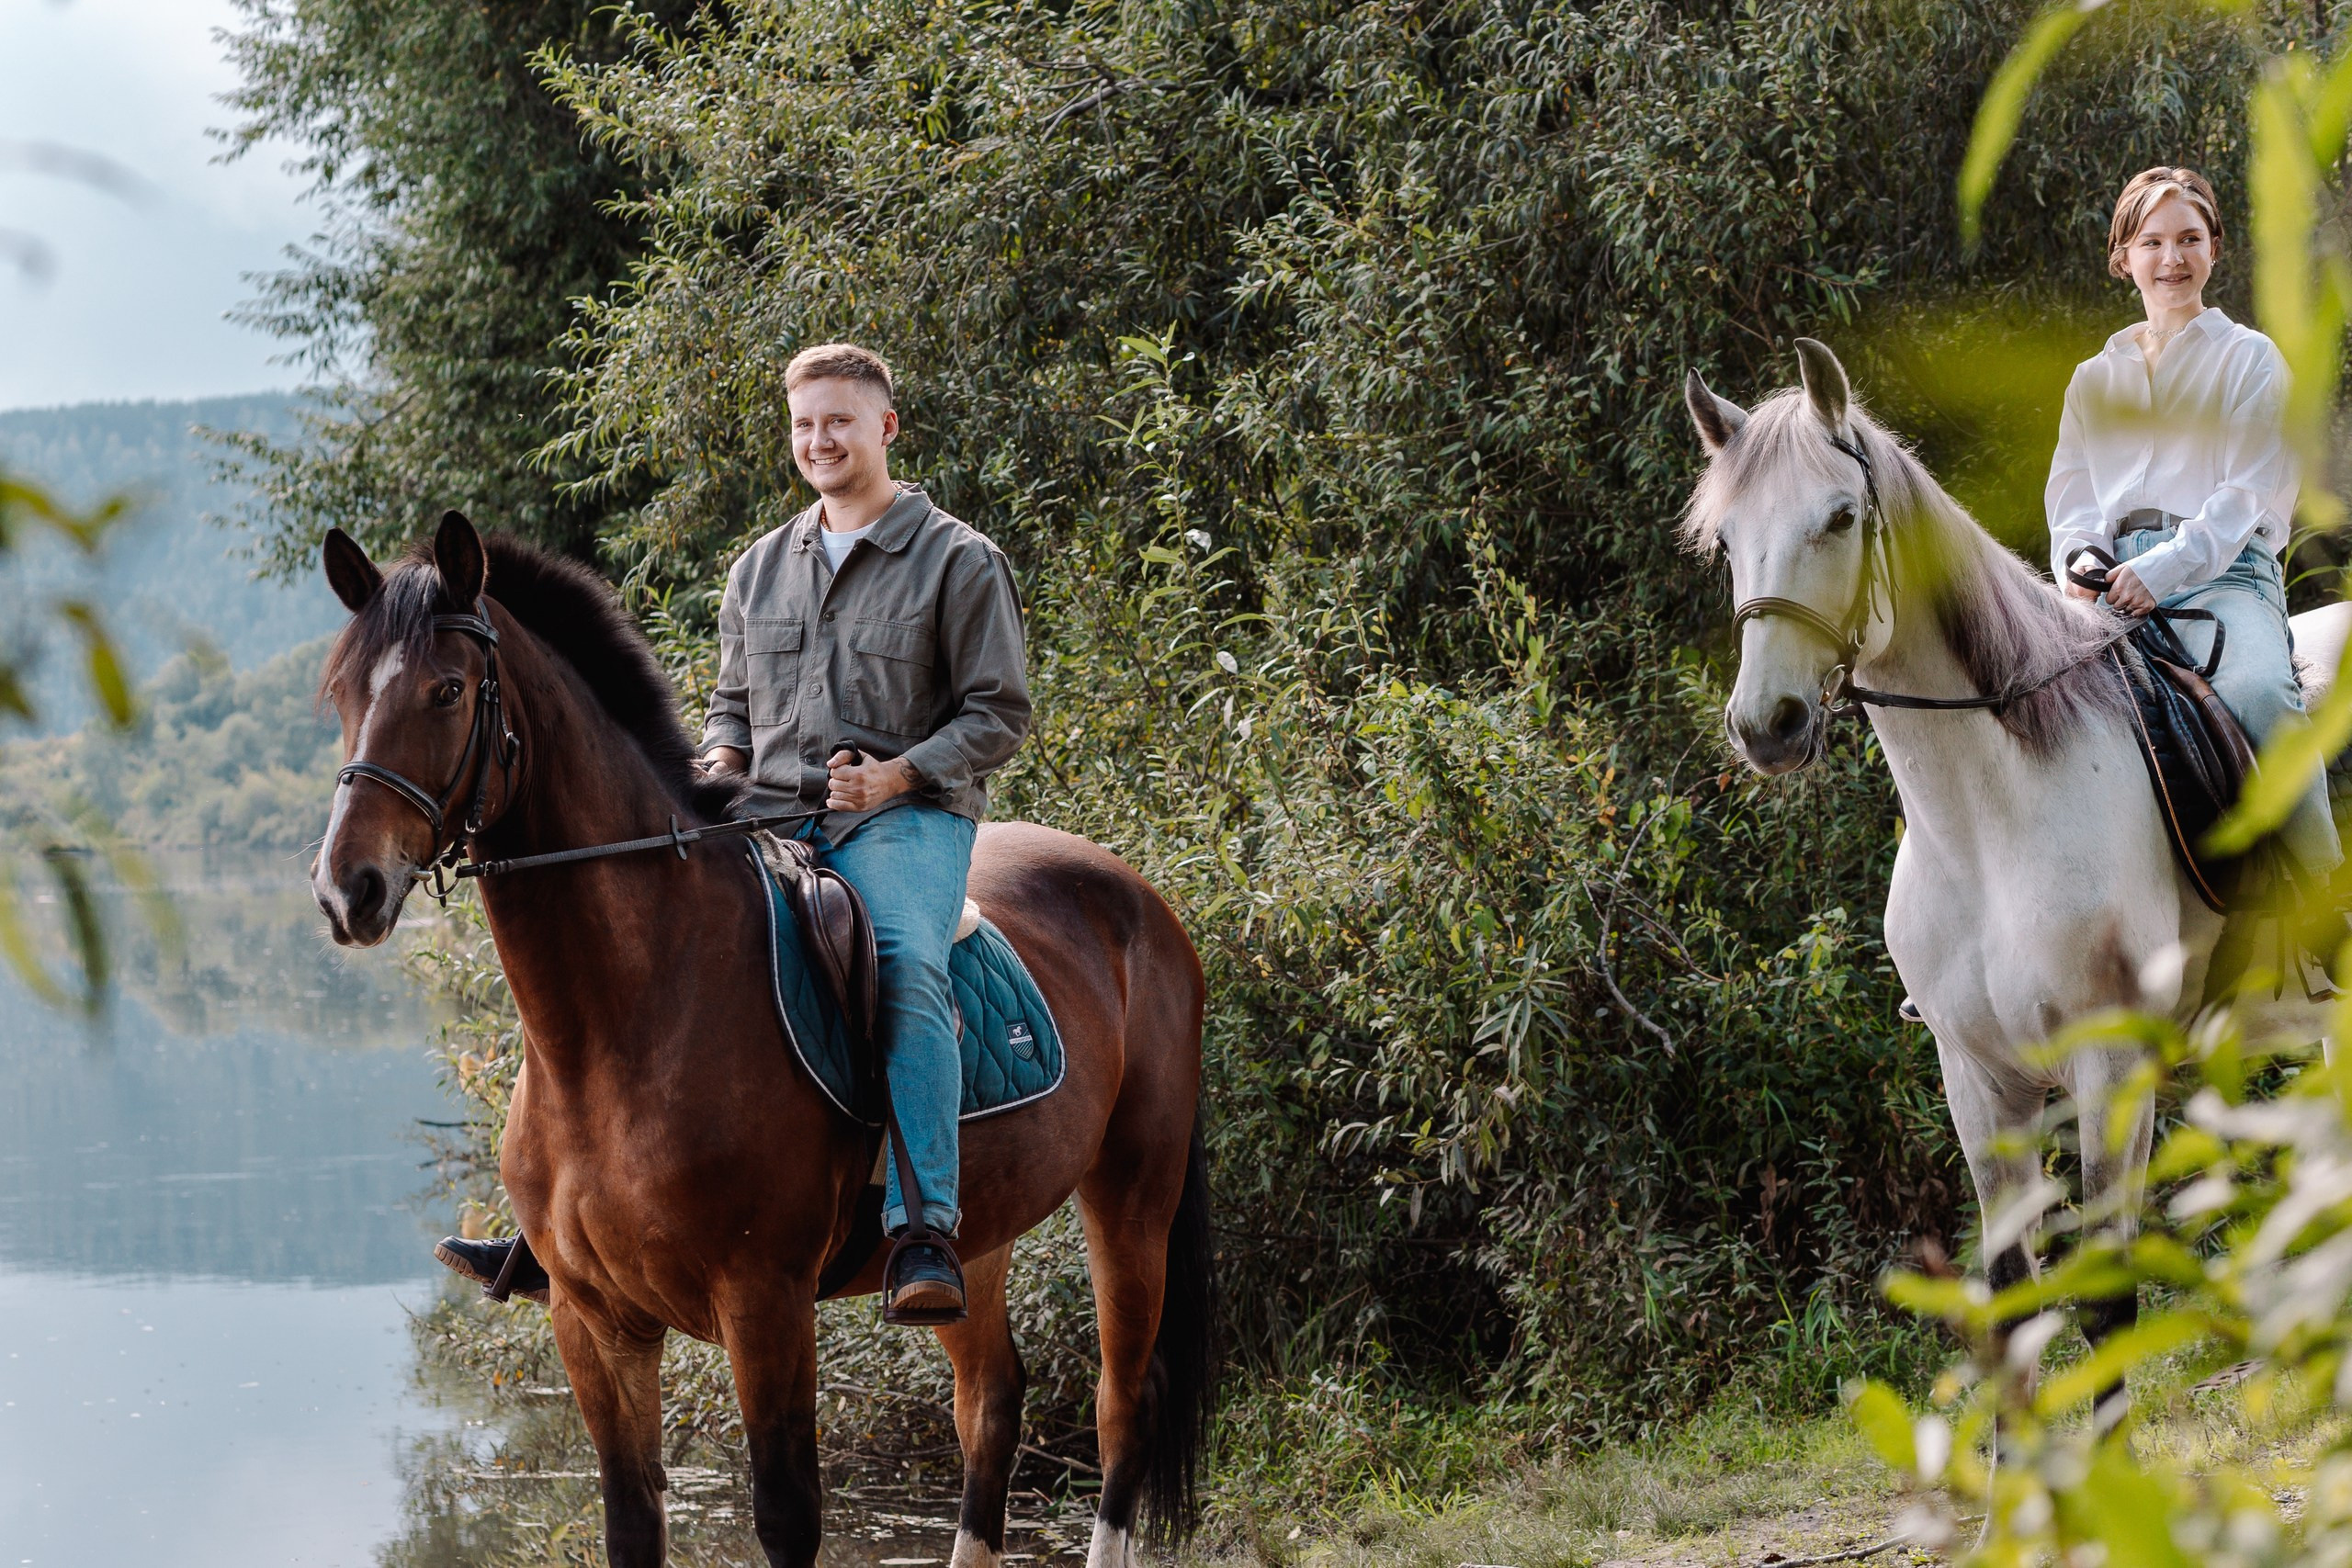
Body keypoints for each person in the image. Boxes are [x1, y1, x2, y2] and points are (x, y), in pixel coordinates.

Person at [435, 343, 1031, 1322]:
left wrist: (896, 775)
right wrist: (715, 762)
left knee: (900, 958)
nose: (818, 440)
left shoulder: (959, 562)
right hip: (759, 814)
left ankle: (925, 1224)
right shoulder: (759, 570)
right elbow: (728, 707)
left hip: (903, 822)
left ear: (886, 427)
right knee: (609, 950)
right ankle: (555, 1220)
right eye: (803, 424)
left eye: (838, 420)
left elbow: (998, 713)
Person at [2047, 165, 2342, 889]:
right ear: (2124, 258)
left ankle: (2328, 901)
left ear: (2215, 250)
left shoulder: (2251, 359)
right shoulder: (2093, 378)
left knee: (2264, 695)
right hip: (2108, 580)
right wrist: (2080, 558)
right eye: (2153, 241)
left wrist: (2160, 571)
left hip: (2225, 575)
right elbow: (2072, 492)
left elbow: (2243, 496)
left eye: (2189, 239)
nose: (2172, 258)